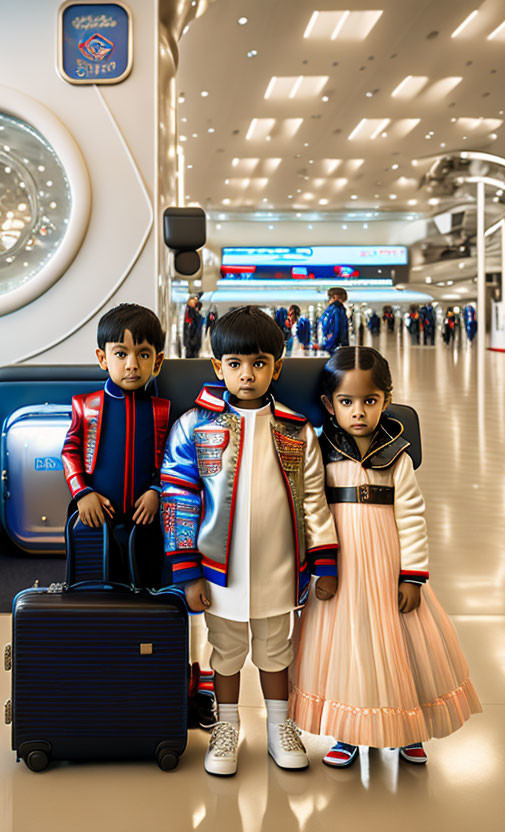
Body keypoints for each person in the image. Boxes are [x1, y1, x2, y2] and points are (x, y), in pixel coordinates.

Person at [161, 306, 338, 776]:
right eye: (235, 364)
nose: (247, 374)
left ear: (276, 368)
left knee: (276, 649)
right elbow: (178, 500)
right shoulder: (194, 426)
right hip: (218, 570)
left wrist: (324, 562)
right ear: (218, 366)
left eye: (259, 363)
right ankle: (227, 727)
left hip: (280, 566)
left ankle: (281, 726)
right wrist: (186, 571)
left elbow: (314, 501)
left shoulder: (297, 430)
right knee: (226, 650)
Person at [289, 346, 481, 768]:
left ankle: (406, 728)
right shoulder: (319, 452)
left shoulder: (397, 457)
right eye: (346, 402)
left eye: (370, 401)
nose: (358, 411)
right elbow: (312, 511)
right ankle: (349, 731)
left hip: (386, 568)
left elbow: (413, 517)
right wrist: (321, 565)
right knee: (347, 648)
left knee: (403, 647)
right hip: (341, 571)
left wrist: (411, 576)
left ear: (386, 400)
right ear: (329, 404)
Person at [61, 303, 170, 581]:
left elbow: (173, 460)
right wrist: (82, 493)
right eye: (121, 354)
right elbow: (70, 452)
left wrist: (157, 490)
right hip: (96, 514)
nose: (132, 364)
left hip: (146, 519)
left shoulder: (162, 410)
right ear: (103, 358)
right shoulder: (86, 406)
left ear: (157, 362)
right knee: (96, 581)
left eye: (143, 355)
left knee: (145, 582)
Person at [320, 287, 350, 354]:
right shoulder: (338, 310)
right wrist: (345, 346)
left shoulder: (327, 311)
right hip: (336, 348)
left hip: (327, 346)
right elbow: (338, 330)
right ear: (336, 297)